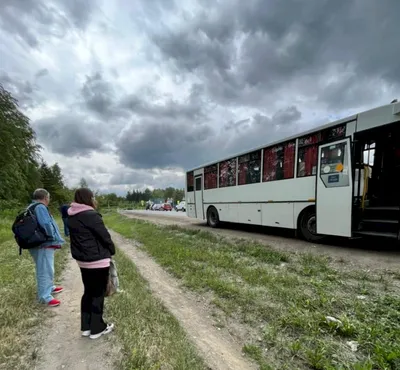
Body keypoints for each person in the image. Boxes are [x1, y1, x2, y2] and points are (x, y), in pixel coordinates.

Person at [68, 188, 115, 340]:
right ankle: (97, 328)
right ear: (89, 198)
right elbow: (104, 236)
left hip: (83, 261)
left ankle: (86, 327)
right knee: (98, 294)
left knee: (88, 292)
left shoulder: (72, 216)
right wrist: (111, 250)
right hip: (97, 260)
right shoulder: (91, 215)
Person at [29, 189, 65, 307]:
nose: (49, 200)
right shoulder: (40, 207)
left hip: (38, 244)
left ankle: (49, 287)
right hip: (43, 244)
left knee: (46, 267)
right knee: (44, 270)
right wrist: (52, 236)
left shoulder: (31, 206)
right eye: (48, 198)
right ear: (45, 197)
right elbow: (46, 224)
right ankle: (45, 296)